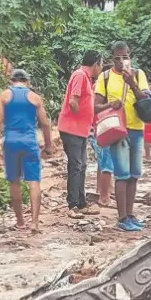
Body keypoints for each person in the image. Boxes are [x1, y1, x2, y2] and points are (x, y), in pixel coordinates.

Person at [94, 41, 150, 232]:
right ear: (112, 59)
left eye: (125, 57)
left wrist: (132, 83)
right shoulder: (105, 77)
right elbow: (95, 106)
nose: (121, 61)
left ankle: (131, 214)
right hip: (117, 130)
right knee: (122, 175)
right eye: (117, 58)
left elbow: (145, 100)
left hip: (137, 128)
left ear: (129, 56)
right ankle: (122, 218)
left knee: (134, 175)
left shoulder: (138, 74)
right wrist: (110, 105)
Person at [0, 68, 52, 232]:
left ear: (11, 81)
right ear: (27, 82)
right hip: (29, 142)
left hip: (10, 143)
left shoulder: (4, 96)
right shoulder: (35, 98)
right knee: (34, 181)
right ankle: (34, 223)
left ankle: (20, 222)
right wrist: (48, 145)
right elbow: (45, 123)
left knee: (14, 181)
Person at [57, 49, 103, 213]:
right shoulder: (80, 75)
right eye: (101, 65)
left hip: (80, 130)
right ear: (96, 64)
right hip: (72, 129)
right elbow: (73, 102)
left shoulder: (87, 78)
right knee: (76, 165)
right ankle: (73, 204)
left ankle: (81, 203)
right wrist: (79, 117)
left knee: (81, 165)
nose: (101, 68)